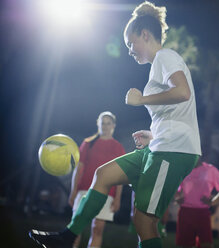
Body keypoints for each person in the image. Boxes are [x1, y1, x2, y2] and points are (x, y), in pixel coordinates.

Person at [29, 2, 201, 248]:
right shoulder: (158, 66)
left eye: (131, 44)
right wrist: (152, 135)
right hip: (159, 146)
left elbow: (183, 92)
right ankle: (67, 238)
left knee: (144, 221)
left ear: (144, 34)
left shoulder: (165, 56)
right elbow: (176, 111)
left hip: (175, 152)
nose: (130, 50)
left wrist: (142, 99)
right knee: (103, 175)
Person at [69, 111, 125, 248]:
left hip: (106, 193)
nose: (105, 126)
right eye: (102, 123)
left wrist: (117, 198)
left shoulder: (118, 147)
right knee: (75, 228)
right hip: (84, 191)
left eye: (108, 123)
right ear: (98, 124)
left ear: (113, 125)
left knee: (97, 229)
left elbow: (120, 176)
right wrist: (73, 191)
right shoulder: (88, 143)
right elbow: (78, 168)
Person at [175, 160, 219, 248]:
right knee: (186, 245)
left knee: (206, 244)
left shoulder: (210, 169)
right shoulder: (184, 168)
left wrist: (213, 202)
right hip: (185, 212)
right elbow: (175, 187)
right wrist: (177, 198)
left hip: (202, 212)